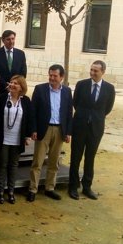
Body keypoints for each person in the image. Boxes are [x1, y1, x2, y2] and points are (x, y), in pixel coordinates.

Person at [68, 60, 115, 200]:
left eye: (96, 71)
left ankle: (87, 186)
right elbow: (75, 103)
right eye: (91, 70)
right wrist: (84, 116)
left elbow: (107, 108)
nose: (92, 73)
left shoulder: (109, 88)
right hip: (79, 126)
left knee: (90, 158)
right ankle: (73, 186)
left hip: (96, 128)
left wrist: (95, 118)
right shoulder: (81, 85)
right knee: (75, 157)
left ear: (103, 72)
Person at [28, 64, 73, 202]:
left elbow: (69, 113)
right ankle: (32, 189)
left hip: (60, 130)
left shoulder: (66, 91)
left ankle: (50, 188)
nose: (52, 78)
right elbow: (33, 111)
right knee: (38, 161)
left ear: (62, 77)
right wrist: (33, 129)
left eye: (55, 76)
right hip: (44, 129)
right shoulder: (40, 89)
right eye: (50, 75)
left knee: (54, 162)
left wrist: (68, 132)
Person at [0, 75, 34, 204]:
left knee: (14, 166)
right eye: (11, 82)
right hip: (3, 138)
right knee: (2, 165)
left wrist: (27, 136)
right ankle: (0, 192)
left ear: (21, 87)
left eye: (16, 83)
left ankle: (11, 192)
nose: (12, 85)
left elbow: (28, 120)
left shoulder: (26, 101)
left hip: (17, 138)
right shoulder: (2, 98)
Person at [0, 30, 27, 94]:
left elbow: (23, 72)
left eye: (13, 39)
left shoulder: (21, 54)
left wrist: (14, 84)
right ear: (3, 41)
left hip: (16, 90)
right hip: (1, 89)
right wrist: (6, 85)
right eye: (8, 39)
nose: (11, 41)